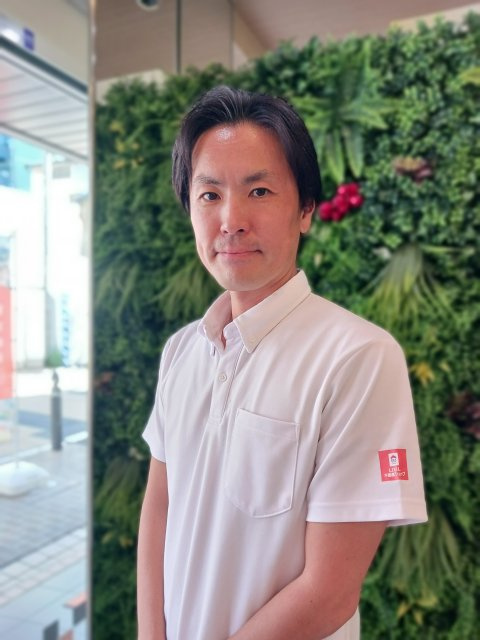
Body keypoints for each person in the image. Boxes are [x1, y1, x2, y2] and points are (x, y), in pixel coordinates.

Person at [137, 86, 427, 640]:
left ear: (306, 210)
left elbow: (329, 591)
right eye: (209, 194)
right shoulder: (181, 351)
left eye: (259, 190)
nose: (231, 220)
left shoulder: (359, 358)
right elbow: (159, 509)